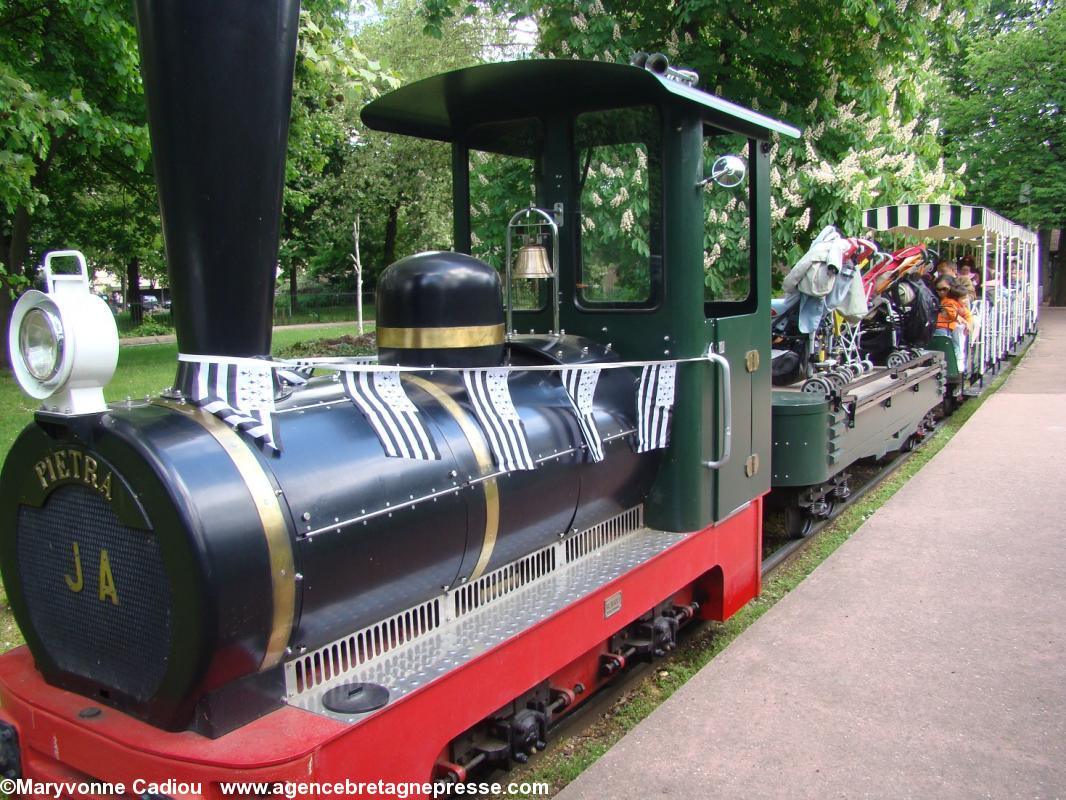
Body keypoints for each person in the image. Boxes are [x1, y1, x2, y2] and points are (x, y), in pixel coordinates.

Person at [933, 277, 972, 369]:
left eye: (944, 289)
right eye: (938, 289)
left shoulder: (957, 303)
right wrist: (960, 319)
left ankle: (956, 366)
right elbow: (951, 312)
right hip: (942, 326)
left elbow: (967, 314)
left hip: (949, 328)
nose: (941, 292)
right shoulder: (948, 302)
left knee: (954, 345)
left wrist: (968, 323)